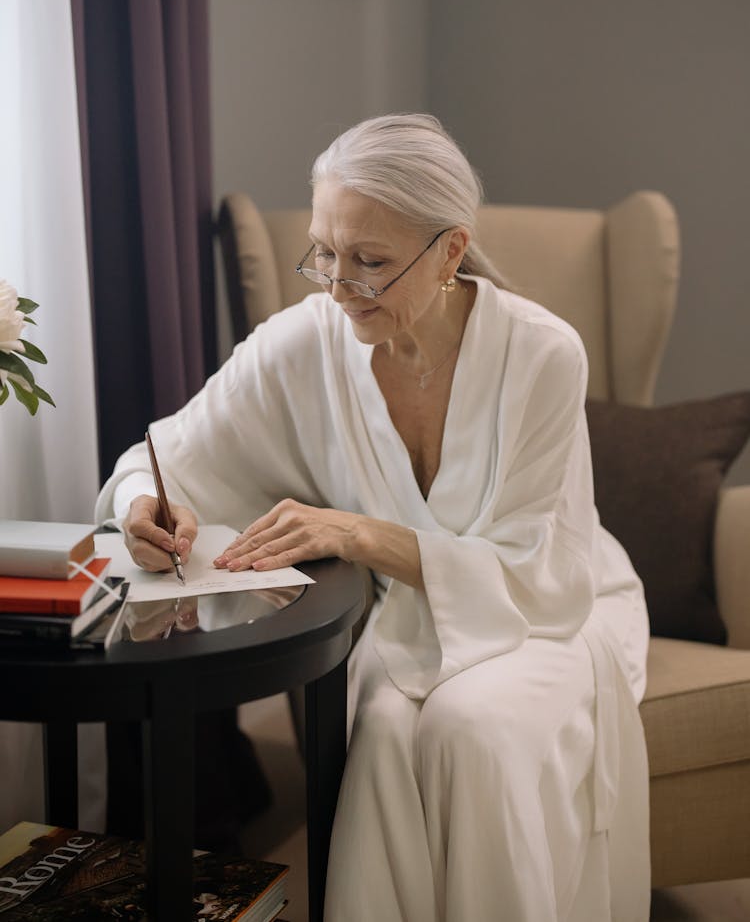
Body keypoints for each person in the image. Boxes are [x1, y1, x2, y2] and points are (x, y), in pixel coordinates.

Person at [95, 113, 650, 922]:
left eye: (371, 262)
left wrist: (356, 532)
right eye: (325, 251)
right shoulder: (306, 343)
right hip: (411, 622)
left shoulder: (544, 354)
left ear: (451, 251)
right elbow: (160, 459)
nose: (336, 283)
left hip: (555, 611)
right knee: (388, 734)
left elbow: (543, 574)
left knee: (474, 730)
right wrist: (145, 506)